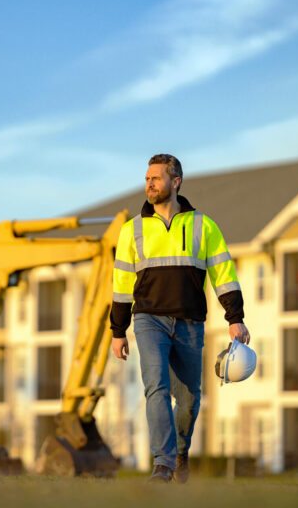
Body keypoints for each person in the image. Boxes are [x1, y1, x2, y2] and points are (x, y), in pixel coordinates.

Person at [110, 153, 249, 483]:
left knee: (188, 399)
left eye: (156, 178)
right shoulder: (132, 231)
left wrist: (235, 317)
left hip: (189, 322)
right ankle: (163, 463)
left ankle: (180, 452)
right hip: (148, 320)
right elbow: (120, 284)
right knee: (155, 387)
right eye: (147, 179)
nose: (150, 184)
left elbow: (223, 273)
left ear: (176, 181)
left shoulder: (203, 225)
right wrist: (119, 331)